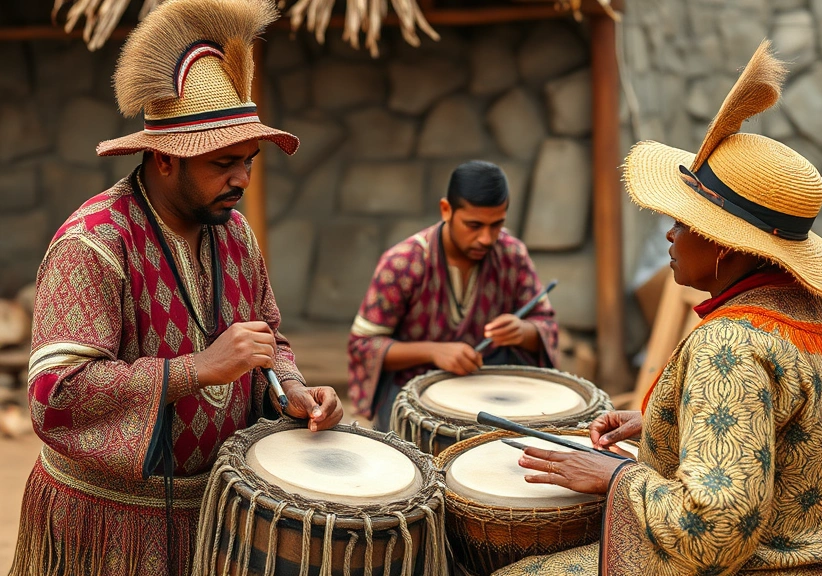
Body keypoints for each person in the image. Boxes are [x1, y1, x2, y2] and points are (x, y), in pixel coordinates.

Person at [9, 1, 343, 574]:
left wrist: (291, 389)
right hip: (106, 525)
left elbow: (268, 339)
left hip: (213, 516)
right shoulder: (92, 244)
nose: (241, 178)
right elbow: (54, 394)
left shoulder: (234, 232)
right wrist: (199, 368)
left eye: (249, 161)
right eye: (223, 163)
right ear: (165, 159)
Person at [496, 40, 822, 576]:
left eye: (684, 222)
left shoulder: (731, 344)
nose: (670, 234)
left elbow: (717, 531)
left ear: (724, 243)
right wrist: (662, 421)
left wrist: (614, 476)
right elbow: (784, 435)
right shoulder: (813, 311)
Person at [348, 160, 558, 430]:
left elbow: (547, 326)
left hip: (492, 391)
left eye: (497, 224)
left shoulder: (512, 254)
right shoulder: (403, 262)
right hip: (412, 392)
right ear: (446, 210)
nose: (486, 238)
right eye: (474, 225)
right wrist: (434, 352)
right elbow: (363, 345)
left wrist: (523, 331)